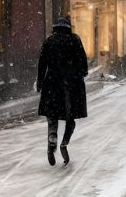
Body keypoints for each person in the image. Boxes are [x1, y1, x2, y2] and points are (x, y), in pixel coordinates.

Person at [37, 17, 88, 166]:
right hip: (72, 85)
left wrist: (40, 82)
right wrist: (81, 74)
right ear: (67, 27)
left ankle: (52, 138)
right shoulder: (75, 40)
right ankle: (64, 142)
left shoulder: (49, 41)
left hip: (52, 83)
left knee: (52, 116)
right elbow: (83, 62)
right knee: (70, 117)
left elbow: (42, 63)